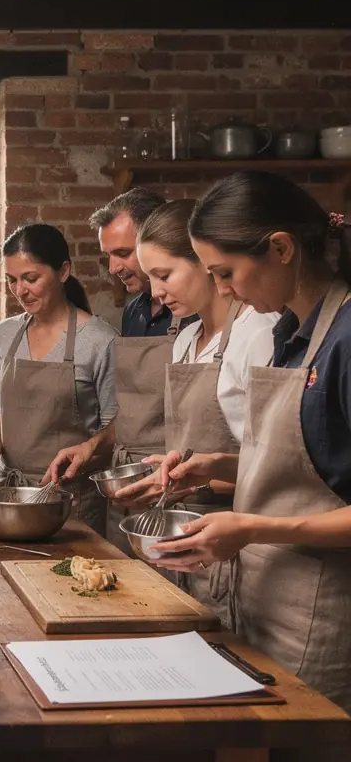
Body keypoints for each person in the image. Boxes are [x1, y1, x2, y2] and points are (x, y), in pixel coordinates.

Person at [150, 172, 351, 762]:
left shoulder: (347, 340)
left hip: (322, 618)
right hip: (264, 606)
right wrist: (217, 466)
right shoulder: (291, 336)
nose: (227, 291)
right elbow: (308, 469)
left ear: (282, 248)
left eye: (227, 272)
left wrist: (255, 528)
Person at [113, 199, 276, 620]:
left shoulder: (258, 333)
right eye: (151, 277)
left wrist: (193, 481)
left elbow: (274, 469)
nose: (155, 291)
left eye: (164, 275)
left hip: (235, 538)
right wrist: (169, 475)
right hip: (183, 535)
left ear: (205, 262)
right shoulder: (186, 339)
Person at [45, 190, 195, 547]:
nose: (113, 268)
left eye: (123, 253)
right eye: (108, 255)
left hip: (177, 488)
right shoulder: (134, 311)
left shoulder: (194, 312)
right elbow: (132, 411)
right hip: (127, 481)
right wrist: (92, 446)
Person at [0, 223, 117, 532]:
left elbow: (116, 429)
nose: (20, 291)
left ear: (63, 271)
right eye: (12, 280)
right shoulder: (5, 333)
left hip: (69, 503)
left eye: (31, 278)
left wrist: (88, 451)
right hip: (7, 497)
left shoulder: (99, 340)